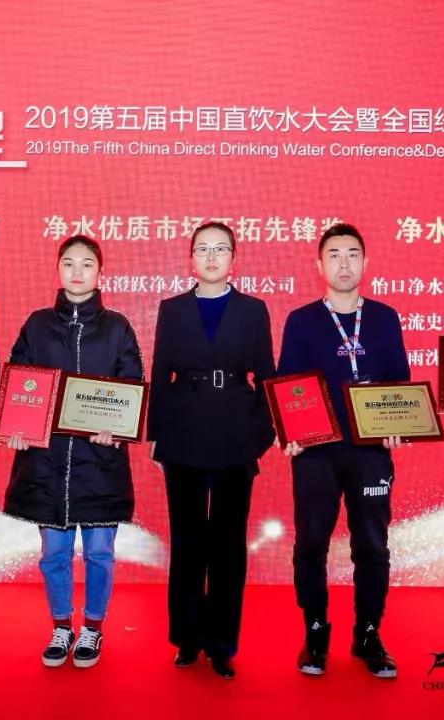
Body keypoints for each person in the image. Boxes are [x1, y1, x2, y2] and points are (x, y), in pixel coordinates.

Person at [2, 235, 143, 669]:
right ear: (58, 269)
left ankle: (93, 628)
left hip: (100, 462)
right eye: (68, 263)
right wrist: (16, 427)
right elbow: (19, 379)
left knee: (100, 553)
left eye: (86, 264)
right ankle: (61, 625)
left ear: (100, 272)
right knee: (53, 555)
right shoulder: (37, 324)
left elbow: (132, 385)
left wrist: (118, 429)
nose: (77, 271)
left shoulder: (118, 327)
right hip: (46, 461)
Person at [277, 222, 409, 678]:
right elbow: (288, 387)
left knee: (372, 544)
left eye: (352, 254)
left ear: (365, 262)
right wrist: (291, 431)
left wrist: (399, 426)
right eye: (334, 255)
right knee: (311, 543)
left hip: (371, 451)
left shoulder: (385, 318)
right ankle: (315, 631)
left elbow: (398, 384)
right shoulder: (301, 320)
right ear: (319, 265)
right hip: (316, 452)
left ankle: (368, 632)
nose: (344, 263)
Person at [147, 221, 276, 679]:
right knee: (187, 542)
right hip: (182, 435)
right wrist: (156, 434)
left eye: (220, 249)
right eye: (203, 249)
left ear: (234, 258)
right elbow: (160, 372)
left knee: (227, 544)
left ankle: (221, 642)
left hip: (235, 437)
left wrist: (260, 435)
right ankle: (186, 637)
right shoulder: (172, 309)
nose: (212, 256)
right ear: (191, 259)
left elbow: (267, 377)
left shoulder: (253, 310)